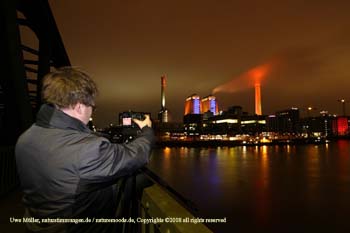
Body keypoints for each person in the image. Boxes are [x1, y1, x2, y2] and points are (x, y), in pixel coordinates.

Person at [15, 67, 155, 233]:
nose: (90, 115)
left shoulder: (26, 137)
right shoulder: (87, 149)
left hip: (39, 224)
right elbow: (135, 155)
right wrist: (147, 131)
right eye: (92, 108)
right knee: (141, 180)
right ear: (80, 106)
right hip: (79, 228)